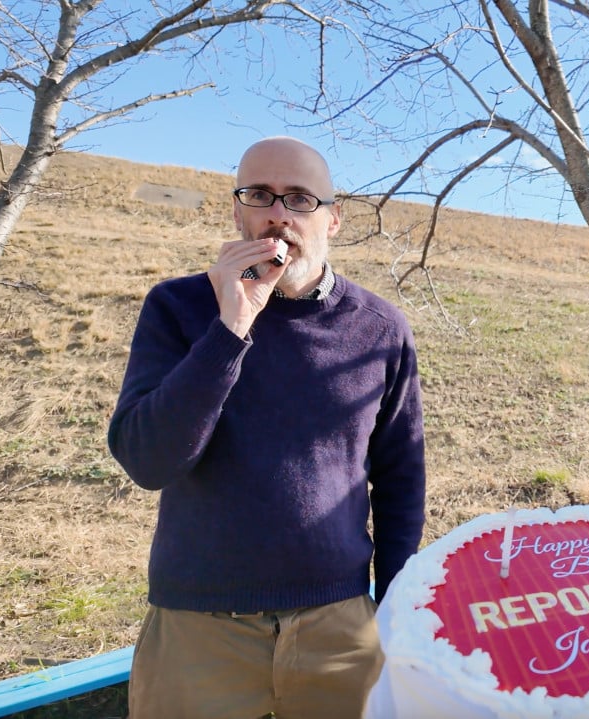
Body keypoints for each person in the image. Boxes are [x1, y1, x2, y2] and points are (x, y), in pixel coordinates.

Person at [108, 136, 426, 719]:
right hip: (198, 627)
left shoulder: (380, 328)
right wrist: (231, 328)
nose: (278, 214)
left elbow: (400, 477)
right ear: (238, 212)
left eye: (300, 198)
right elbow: (148, 461)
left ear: (333, 219)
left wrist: (395, 605)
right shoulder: (177, 308)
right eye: (259, 194)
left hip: (339, 624)